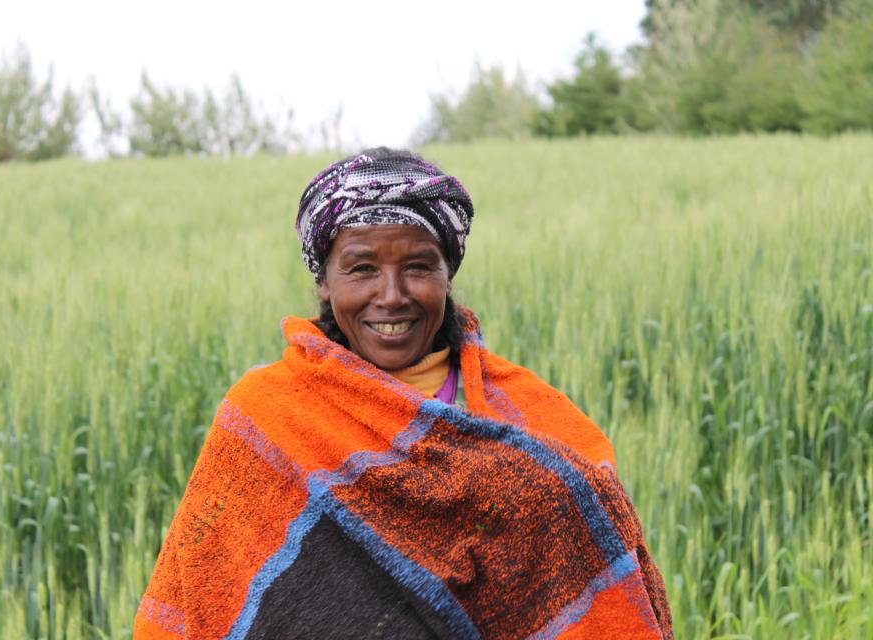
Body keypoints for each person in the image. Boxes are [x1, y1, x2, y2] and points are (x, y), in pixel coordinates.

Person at [134, 148, 673, 639]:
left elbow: (600, 587)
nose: (390, 297)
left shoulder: (530, 418)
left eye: (417, 267)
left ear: (448, 275)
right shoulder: (266, 414)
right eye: (361, 268)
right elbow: (204, 598)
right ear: (324, 280)